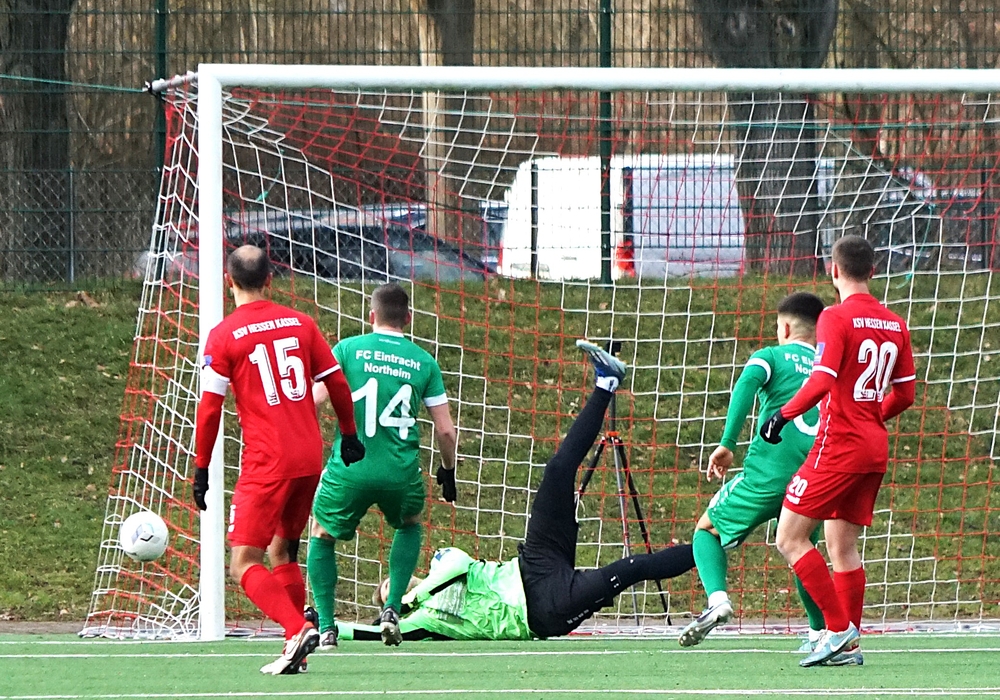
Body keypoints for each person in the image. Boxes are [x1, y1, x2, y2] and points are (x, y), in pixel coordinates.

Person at [328, 341, 696, 642]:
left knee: (558, 470)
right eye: (388, 592)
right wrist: (326, 624)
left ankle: (606, 383)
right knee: (632, 568)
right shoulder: (426, 620)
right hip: (543, 609)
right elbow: (366, 633)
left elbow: (457, 564)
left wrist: (409, 595)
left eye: (391, 583)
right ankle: (712, 546)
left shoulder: (441, 565)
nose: (394, 587)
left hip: (533, 562)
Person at [193, 245, 366, 675]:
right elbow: (336, 382)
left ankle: (296, 628)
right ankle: (297, 649)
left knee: (242, 562)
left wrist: (201, 467)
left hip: (267, 461)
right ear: (270, 279)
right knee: (281, 551)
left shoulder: (224, 335)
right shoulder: (301, 323)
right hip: (308, 456)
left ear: (229, 281)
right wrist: (348, 434)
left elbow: (210, 409)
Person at [760, 235, 916, 668]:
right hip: (873, 448)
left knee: (789, 537)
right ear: (873, 271)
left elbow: (823, 379)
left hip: (840, 445)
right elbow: (905, 394)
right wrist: (872, 416)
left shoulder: (833, 316)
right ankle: (850, 645)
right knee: (841, 545)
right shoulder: (895, 323)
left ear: (833, 271)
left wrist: (783, 415)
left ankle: (837, 630)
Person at [309, 282, 458, 648]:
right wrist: (448, 470)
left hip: (351, 465)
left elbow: (314, 401)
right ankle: (392, 609)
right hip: (400, 471)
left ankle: (326, 627)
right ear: (408, 317)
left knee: (321, 534)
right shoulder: (424, 361)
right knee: (409, 524)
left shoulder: (347, 349)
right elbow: (446, 430)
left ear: (371, 315)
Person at [678, 292, 827, 650]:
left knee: (707, 530)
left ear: (785, 328)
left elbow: (747, 383)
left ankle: (718, 600)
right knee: (803, 551)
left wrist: (727, 442)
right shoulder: (828, 368)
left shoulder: (771, 356)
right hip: (814, 476)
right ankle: (820, 634)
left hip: (767, 475)